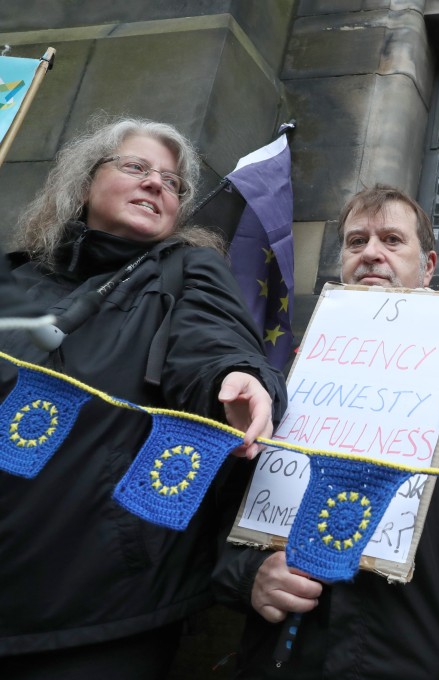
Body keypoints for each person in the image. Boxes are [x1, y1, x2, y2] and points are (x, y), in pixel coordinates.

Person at [0, 117, 287, 679]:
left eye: (173, 182)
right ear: (83, 183)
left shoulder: (187, 270)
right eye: (136, 167)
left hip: (99, 603)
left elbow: (214, 342)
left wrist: (237, 376)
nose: (157, 183)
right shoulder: (11, 279)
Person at [214, 185, 439, 679]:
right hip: (289, 652)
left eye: (391, 240)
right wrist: (248, 578)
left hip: (424, 651)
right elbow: (233, 498)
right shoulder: (287, 375)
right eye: (356, 241)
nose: (371, 254)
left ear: (428, 266)